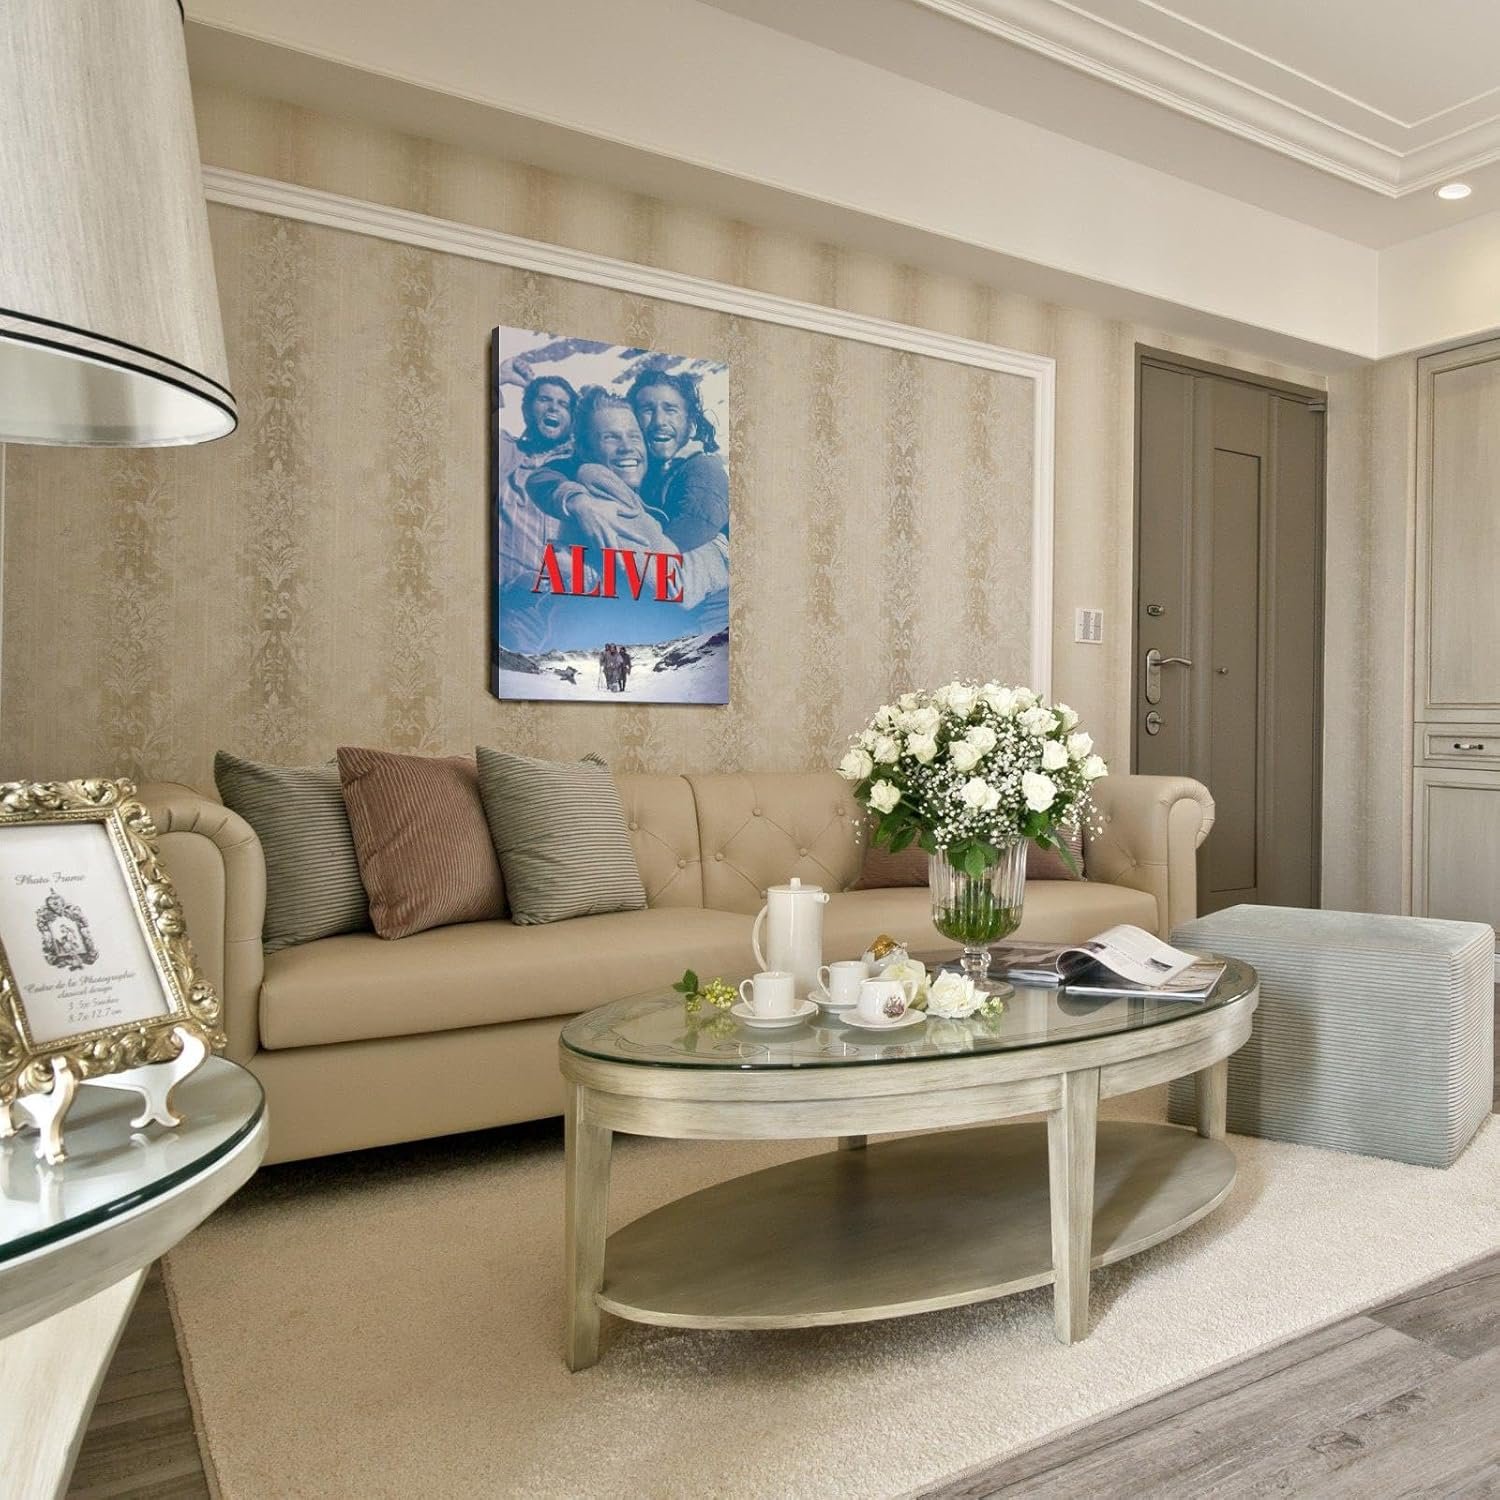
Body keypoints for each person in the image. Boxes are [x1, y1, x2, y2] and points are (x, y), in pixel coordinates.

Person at [628, 369, 729, 551]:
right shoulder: (646, 473)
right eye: (647, 410)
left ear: (691, 423)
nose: (659, 421)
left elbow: (672, 549)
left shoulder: (704, 470)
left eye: (670, 410)